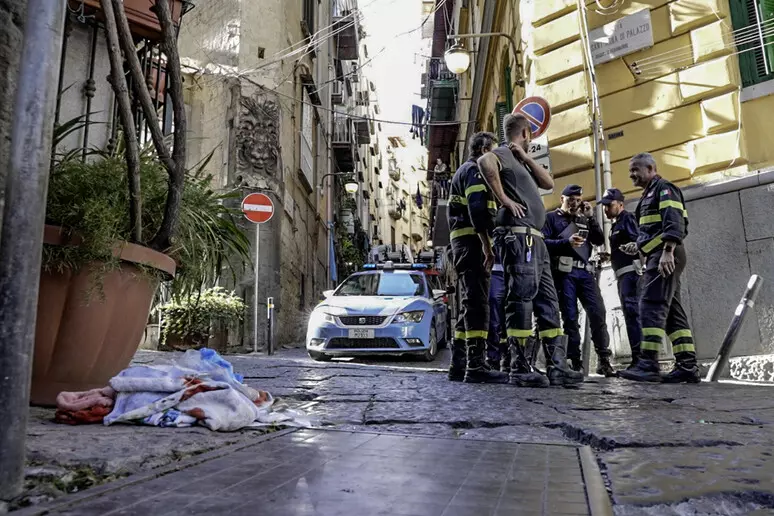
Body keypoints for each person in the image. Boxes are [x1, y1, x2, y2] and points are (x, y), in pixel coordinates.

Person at [477, 114, 583, 388]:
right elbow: (485, 161)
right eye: (530, 135)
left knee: (548, 301)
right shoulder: (502, 153)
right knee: (521, 299)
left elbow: (548, 184)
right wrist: (504, 199)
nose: (532, 139)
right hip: (519, 237)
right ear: (525, 132)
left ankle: (557, 366)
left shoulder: (519, 159)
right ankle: (520, 366)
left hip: (536, 240)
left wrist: (525, 157)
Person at [618, 152, 700, 383]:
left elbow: (674, 221)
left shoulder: (664, 189)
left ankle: (648, 364)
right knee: (672, 311)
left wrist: (667, 251)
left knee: (650, 304)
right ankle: (687, 365)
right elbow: (654, 229)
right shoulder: (649, 194)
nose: (631, 175)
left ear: (651, 169)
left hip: (665, 254)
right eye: (630, 171)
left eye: (635, 170)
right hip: (660, 253)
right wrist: (638, 246)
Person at [446, 132, 506, 384]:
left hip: (463, 245)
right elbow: (478, 210)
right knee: (479, 304)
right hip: (473, 243)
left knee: (470, 303)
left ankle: (459, 364)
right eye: (494, 153)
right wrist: (487, 246)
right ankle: (477, 365)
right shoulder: (475, 170)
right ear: (484, 150)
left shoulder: (463, 171)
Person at [542, 185, 616, 377]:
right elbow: (543, 243)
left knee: (598, 312)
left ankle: (604, 359)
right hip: (564, 273)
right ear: (562, 199)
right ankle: (574, 362)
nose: (574, 204)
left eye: (578, 200)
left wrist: (591, 218)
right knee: (570, 317)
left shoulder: (583, 219)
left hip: (585, 272)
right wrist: (565, 242)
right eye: (570, 200)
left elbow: (598, 240)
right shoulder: (551, 218)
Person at [600, 188, 642, 370]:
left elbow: (637, 243)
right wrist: (611, 256)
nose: (606, 209)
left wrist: (633, 247)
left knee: (633, 315)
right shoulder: (617, 223)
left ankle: (640, 360)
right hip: (623, 275)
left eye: (609, 205)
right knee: (631, 315)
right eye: (604, 206)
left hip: (631, 275)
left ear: (620, 204)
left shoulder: (627, 219)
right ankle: (638, 359)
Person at [486, 242, 509, 372]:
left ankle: (509, 356)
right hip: (495, 272)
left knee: (513, 317)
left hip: (516, 271)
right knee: (494, 318)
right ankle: (493, 357)